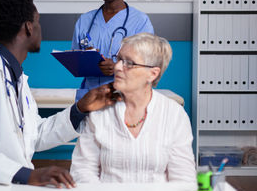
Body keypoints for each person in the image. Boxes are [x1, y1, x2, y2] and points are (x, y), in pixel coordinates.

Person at [0, 0, 118, 187]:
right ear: (29, 27)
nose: (40, 28)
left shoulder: (15, 77)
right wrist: (26, 175)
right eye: (38, 22)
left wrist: (80, 109)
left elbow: (34, 135)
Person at [70, 33, 196, 183]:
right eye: (119, 59)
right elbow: (83, 170)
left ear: (152, 74)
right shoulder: (100, 110)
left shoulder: (174, 115)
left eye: (129, 63)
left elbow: (183, 179)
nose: (117, 67)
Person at [72, 0, 154, 101]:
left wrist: (117, 66)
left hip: (123, 99)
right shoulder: (85, 20)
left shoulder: (140, 22)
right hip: (89, 99)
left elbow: (147, 66)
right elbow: (76, 62)